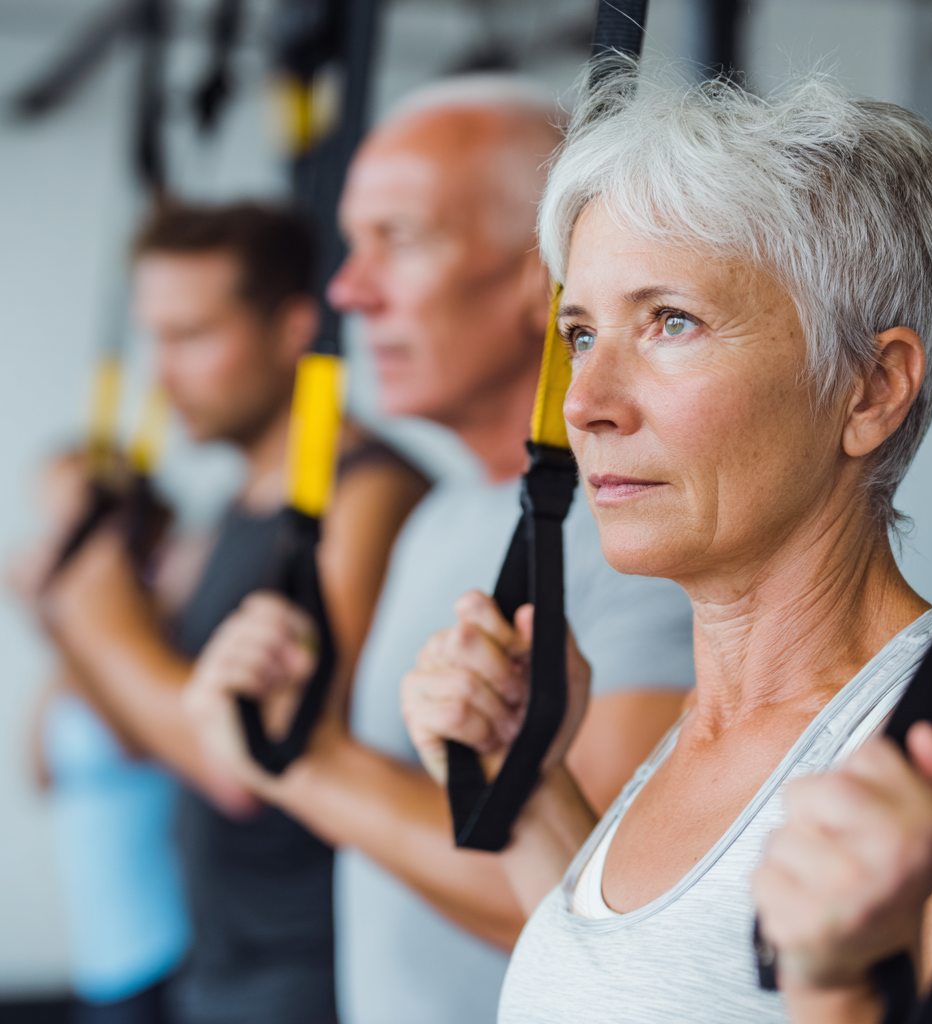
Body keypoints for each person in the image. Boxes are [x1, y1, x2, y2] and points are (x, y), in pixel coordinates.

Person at [397, 71, 932, 1023]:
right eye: (581, 332)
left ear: (870, 389)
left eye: (671, 322)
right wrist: (521, 784)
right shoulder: (703, 729)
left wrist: (838, 986)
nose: (584, 402)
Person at [183, 77, 696, 1024]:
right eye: (352, 242)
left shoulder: (641, 537)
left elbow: (577, 901)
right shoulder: (442, 517)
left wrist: (299, 760)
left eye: (402, 239)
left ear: (545, 281)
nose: (347, 289)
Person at [35, 203, 429, 1024]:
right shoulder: (229, 509)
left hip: (308, 974)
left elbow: (257, 755)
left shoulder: (369, 495)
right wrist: (75, 605)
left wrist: (100, 616)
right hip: (208, 959)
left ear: (292, 328)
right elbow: (117, 735)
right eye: (155, 339)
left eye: (191, 336)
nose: (162, 374)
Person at [10, 453, 188, 1024]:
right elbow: (40, 771)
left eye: (66, 522)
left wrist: (61, 625)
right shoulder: (83, 639)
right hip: (100, 945)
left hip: (162, 942)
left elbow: (134, 741)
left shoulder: (162, 624)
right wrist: (56, 626)